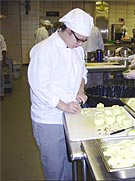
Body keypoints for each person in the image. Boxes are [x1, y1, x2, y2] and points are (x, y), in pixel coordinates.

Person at [28, 8, 93, 180]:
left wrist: (80, 90)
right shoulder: (44, 50)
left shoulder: (77, 49)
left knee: (70, 164)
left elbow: (82, 72)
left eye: (83, 41)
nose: (80, 45)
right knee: (55, 168)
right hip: (49, 118)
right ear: (67, 30)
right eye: (79, 40)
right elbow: (39, 86)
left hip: (70, 116)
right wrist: (63, 105)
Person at [0, 33, 7, 101]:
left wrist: (4, 60)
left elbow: (4, 49)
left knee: (0, 77)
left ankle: (1, 93)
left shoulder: (1, 37)